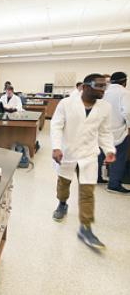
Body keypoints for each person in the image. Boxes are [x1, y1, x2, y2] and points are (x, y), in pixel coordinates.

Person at [51, 73, 116, 249]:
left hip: (89, 155)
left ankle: (85, 228)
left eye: (105, 86)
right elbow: (56, 125)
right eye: (99, 85)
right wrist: (56, 147)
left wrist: (109, 149)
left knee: (88, 191)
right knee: (63, 183)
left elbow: (104, 132)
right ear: (86, 87)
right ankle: (62, 203)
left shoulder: (105, 107)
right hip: (68, 152)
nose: (104, 89)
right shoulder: (66, 103)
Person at [100, 72, 130, 194]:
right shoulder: (124, 93)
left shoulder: (104, 92)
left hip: (101, 129)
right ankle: (113, 184)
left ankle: (97, 178)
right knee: (118, 157)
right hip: (117, 131)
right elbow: (127, 112)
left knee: (99, 155)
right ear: (124, 81)